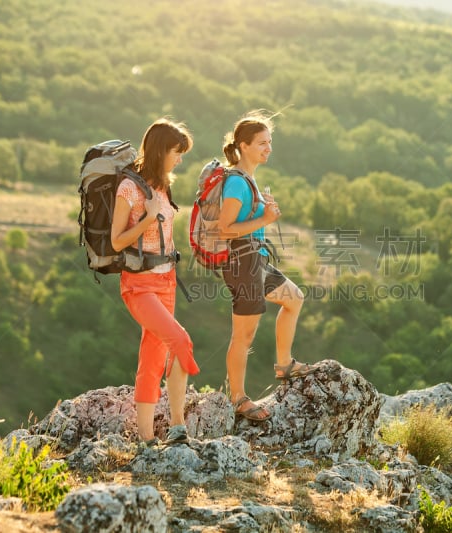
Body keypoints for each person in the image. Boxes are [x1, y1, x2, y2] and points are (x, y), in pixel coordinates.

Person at [217, 110, 316, 421]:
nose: (268, 148)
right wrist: (265, 217)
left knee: (294, 298)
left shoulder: (250, 180)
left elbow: (250, 222)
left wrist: (265, 212)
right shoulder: (236, 182)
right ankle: (239, 398)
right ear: (244, 146)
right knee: (243, 337)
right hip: (242, 262)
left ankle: (284, 364)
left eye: (270, 142)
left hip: (256, 259)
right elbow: (225, 228)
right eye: (262, 143)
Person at [111, 117, 198, 444]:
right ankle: (178, 428)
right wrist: (146, 218)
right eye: (177, 152)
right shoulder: (129, 188)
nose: (180, 159)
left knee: (153, 356)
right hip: (139, 285)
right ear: (161, 150)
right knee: (181, 341)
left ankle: (146, 440)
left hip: (167, 282)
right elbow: (117, 241)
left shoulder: (162, 187)